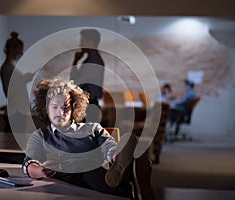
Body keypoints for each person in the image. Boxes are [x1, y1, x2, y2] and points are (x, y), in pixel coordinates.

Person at [23, 78, 154, 200]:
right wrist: (41, 171)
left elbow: (109, 147)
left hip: (97, 177)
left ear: (74, 107)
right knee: (103, 175)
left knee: (98, 167)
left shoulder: (93, 129)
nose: (60, 112)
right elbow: (28, 164)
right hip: (67, 180)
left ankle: (124, 172)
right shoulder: (40, 136)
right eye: (55, 107)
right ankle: (137, 176)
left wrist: (115, 156)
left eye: (65, 107)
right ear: (46, 108)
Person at [70, 29, 105, 107]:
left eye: (82, 41)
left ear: (90, 42)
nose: (80, 44)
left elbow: (76, 82)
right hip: (87, 102)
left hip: (89, 104)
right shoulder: (91, 60)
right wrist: (75, 62)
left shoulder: (93, 61)